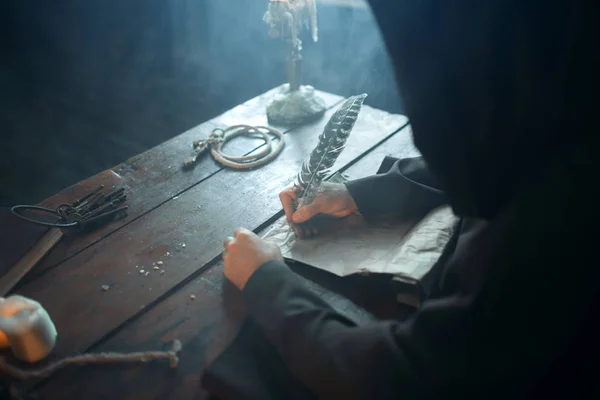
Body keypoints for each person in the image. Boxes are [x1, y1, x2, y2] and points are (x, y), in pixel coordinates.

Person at [216, 0, 600, 398]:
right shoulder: (559, 118)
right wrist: (356, 192)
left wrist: (266, 281)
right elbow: (505, 156)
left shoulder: (546, 240)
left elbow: (394, 376)